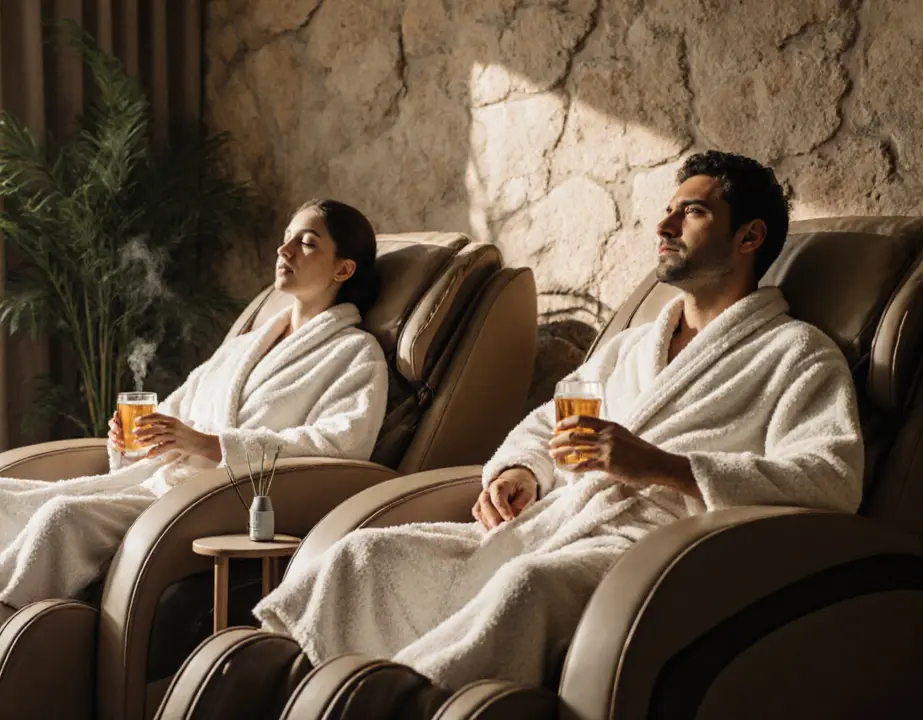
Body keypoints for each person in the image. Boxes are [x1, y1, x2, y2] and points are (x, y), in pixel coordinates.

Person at [254, 152, 865, 690]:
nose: (664, 224)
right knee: (363, 557)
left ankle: (404, 703)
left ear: (750, 236)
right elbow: (551, 421)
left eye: (692, 213)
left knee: (527, 589)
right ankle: (319, 700)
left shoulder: (796, 354)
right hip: (554, 524)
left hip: (649, 552)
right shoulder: (631, 348)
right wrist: (521, 471)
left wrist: (658, 467)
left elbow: (830, 478)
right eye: (670, 209)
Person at [0, 199, 389, 608]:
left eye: (307, 242)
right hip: (151, 483)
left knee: (63, 517)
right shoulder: (248, 344)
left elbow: (342, 446)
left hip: (210, 504)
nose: (284, 249)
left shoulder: (355, 354)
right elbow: (174, 411)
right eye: (286, 236)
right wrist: (132, 441)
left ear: (344, 267)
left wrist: (214, 446)